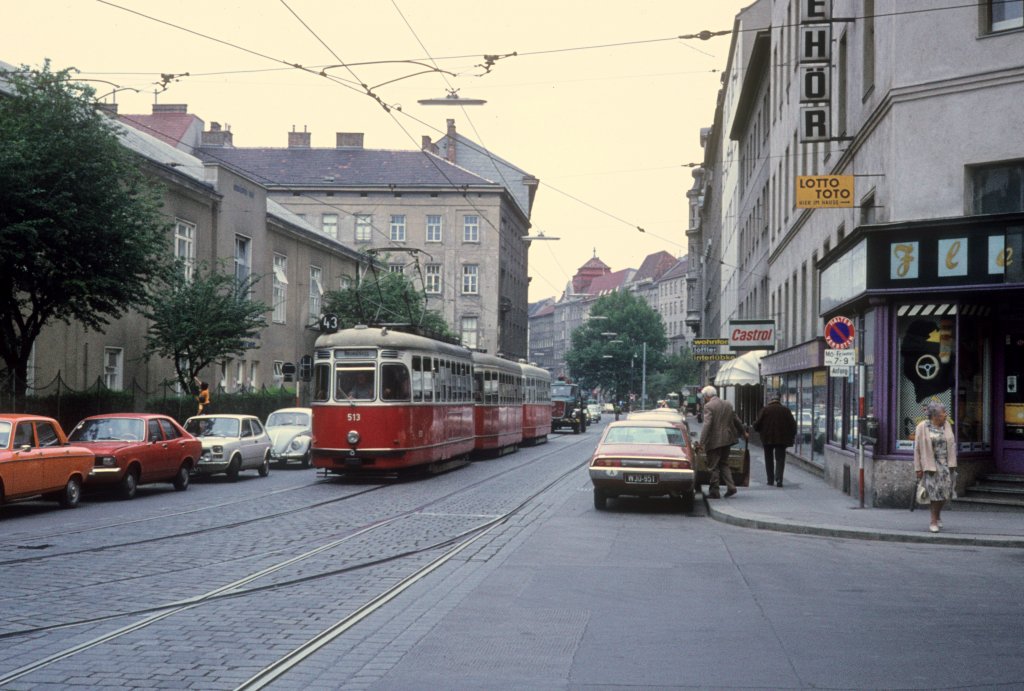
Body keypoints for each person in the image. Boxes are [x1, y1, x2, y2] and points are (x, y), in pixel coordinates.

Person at [913, 400, 958, 533]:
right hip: (931, 465)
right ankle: (933, 521)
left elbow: (951, 444)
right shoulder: (922, 427)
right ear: (935, 416)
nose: (946, 415)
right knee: (934, 494)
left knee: (945, 493)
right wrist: (918, 468)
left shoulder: (947, 425)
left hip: (947, 465)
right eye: (943, 413)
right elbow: (917, 449)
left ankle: (937, 515)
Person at [697, 385, 747, 498]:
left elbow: (707, 425)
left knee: (713, 466)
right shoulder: (727, 404)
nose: (704, 399)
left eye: (704, 397)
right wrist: (743, 432)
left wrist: (701, 442)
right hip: (727, 440)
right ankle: (731, 487)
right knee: (724, 464)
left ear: (707, 396)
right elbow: (736, 419)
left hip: (714, 441)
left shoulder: (708, 406)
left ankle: (714, 491)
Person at [753, 393, 797, 487]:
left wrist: (759, 430)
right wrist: (791, 435)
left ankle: (770, 480)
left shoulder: (765, 410)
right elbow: (793, 425)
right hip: (781, 438)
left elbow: (757, 424)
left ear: (771, 400)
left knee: (768, 459)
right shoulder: (785, 410)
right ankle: (779, 478)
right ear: (779, 400)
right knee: (780, 459)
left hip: (767, 438)